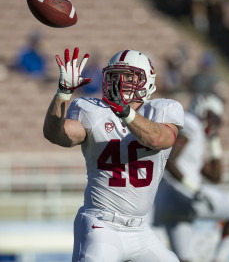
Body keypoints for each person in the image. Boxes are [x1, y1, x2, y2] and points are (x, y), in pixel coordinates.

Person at [43, 47, 184, 262]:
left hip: (140, 230)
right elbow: (56, 134)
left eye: (129, 76)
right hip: (101, 225)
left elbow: (158, 139)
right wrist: (63, 93)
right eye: (115, 76)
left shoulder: (163, 110)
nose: (121, 82)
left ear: (148, 81)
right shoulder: (91, 109)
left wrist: (125, 112)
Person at [153, 93, 229, 262]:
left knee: (186, 259)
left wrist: (214, 139)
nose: (215, 123)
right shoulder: (191, 124)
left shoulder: (196, 134)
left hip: (166, 203)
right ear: (204, 112)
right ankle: (220, 259)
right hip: (181, 195)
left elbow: (215, 176)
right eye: (214, 118)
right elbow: (169, 160)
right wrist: (192, 187)